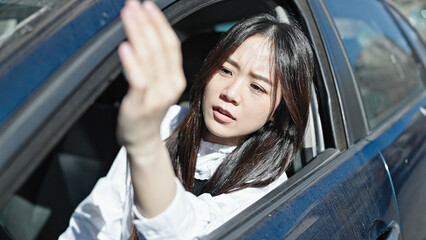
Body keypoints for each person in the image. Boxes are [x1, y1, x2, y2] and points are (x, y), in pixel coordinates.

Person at [60, 0, 314, 239]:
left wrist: (144, 142)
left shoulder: (267, 187)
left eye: (257, 87)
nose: (231, 93)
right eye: (225, 70)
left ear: (276, 112)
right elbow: (101, 214)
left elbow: (185, 231)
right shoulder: (167, 121)